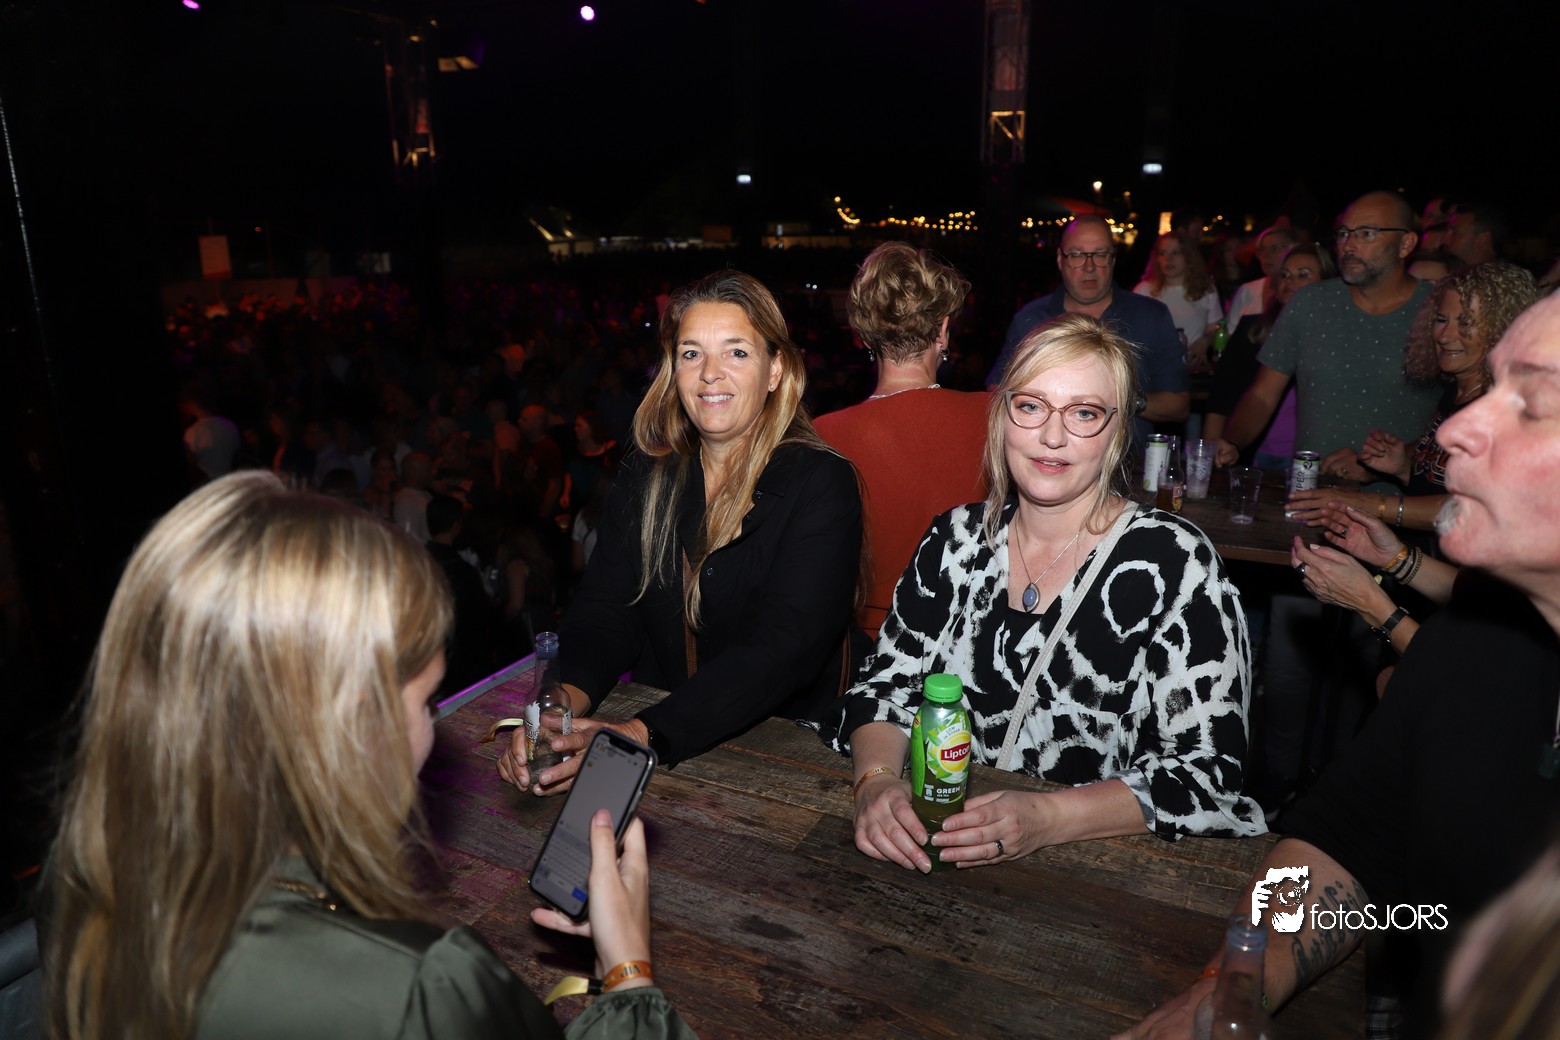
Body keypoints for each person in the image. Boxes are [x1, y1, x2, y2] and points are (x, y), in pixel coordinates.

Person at [41, 471, 694, 1040]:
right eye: (425, 702)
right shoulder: (426, 985)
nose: (432, 735)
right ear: (344, 726)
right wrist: (628, 976)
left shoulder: (82, 890)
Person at [1118, 292, 1560, 1040]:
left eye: (1534, 405)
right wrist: (1237, 985)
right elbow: (1346, 840)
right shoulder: (1482, 640)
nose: (1457, 428)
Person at [836, 314, 1263, 874]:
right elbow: (882, 690)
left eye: (1084, 413)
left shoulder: (1175, 562)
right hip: (930, 849)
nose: (1052, 436)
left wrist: (1048, 817)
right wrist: (875, 782)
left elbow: (1209, 772)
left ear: (1117, 431)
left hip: (1098, 874)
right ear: (1002, 415)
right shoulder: (956, 537)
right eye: (1031, 406)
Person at [497, 271, 865, 790]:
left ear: (775, 370)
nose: (710, 373)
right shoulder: (647, 476)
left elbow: (783, 648)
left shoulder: (821, 482)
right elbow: (605, 611)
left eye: (736, 352)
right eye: (692, 354)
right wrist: (557, 710)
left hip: (786, 759)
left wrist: (640, 733)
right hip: (669, 741)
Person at [814, 241, 989, 639]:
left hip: (865, 643)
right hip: (968, 639)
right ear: (943, 330)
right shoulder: (995, 418)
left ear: (862, 336)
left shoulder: (822, 434)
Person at [1286, 261, 1538, 531]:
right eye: (1441, 320)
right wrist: (1403, 466)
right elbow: (1440, 483)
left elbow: (1474, 510)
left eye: (1465, 323)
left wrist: (1368, 504)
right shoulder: (1456, 393)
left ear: (1502, 330)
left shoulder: (1508, 409)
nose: (1446, 335)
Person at [1214, 190, 1441, 474]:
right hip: (1309, 489)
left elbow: (1465, 417)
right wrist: (1233, 441)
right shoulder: (1310, 302)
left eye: (1366, 234)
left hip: (1395, 497)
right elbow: (1262, 395)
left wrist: (1384, 464)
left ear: (1405, 244)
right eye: (1344, 233)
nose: (1349, 245)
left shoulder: (1437, 309)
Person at [986, 215, 1189, 452]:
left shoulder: (1151, 316)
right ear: (1061, 259)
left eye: (1100, 254)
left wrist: (1121, 399)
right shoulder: (1030, 319)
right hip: (1048, 456)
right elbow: (996, 392)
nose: (1089, 266)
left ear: (1113, 259)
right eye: (1077, 255)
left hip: (1129, 466)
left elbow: (1179, 405)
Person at [1204, 242, 1337, 469]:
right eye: (1284, 275)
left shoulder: (1336, 339)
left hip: (1310, 459)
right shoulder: (1251, 330)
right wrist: (1212, 456)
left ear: (1326, 283)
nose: (1290, 282)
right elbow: (1221, 397)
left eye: (1303, 275)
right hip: (1251, 454)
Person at [1134, 230, 1224, 369]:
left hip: (1192, 369)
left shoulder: (1206, 290)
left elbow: (1216, 328)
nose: (1168, 259)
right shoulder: (1144, 290)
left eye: (1175, 253)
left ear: (1188, 257)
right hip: (1153, 370)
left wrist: (1205, 341)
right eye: (1163, 253)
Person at [1224, 224, 1300, 333]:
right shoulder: (1247, 290)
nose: (1266, 255)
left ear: (1292, 250)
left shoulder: (1301, 289)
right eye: (1262, 250)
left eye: (1275, 248)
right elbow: (1230, 333)